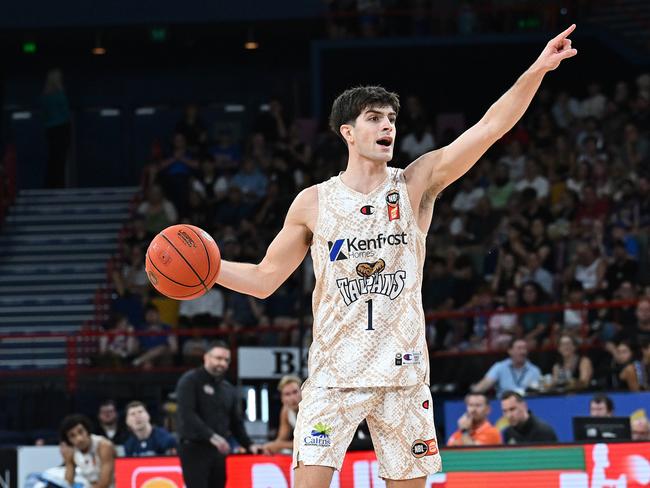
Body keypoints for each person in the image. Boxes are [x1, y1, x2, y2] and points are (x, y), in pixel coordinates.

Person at [213, 26, 577, 487]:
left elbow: (489, 127)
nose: (388, 125)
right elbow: (265, 279)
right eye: (374, 117)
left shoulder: (415, 183)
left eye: (391, 118)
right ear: (348, 131)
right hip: (334, 376)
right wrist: (211, 270)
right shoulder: (313, 202)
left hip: (403, 377)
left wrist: (538, 69)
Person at [175, 341, 263, 488]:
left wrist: (250, 444)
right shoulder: (190, 380)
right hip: (194, 448)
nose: (222, 363)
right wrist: (213, 437)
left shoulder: (228, 388)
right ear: (206, 358)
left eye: (226, 360)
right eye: (218, 358)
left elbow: (236, 422)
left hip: (218, 451)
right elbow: (187, 414)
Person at [59, 414, 116, 488]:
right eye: (72, 436)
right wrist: (68, 461)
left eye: (81, 431)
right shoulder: (72, 452)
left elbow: (105, 484)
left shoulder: (104, 446)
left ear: (87, 430)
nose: (79, 438)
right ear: (68, 441)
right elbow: (68, 483)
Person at [472, 338, 543, 397]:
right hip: (503, 405)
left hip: (527, 405)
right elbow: (485, 383)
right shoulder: (499, 367)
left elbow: (540, 391)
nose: (523, 352)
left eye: (524, 348)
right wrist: (473, 393)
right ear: (510, 351)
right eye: (519, 348)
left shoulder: (535, 370)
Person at [42, 68, 71, 188]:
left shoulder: (45, 96)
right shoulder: (60, 95)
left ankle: (50, 184)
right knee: (61, 158)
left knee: (52, 157)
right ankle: (60, 184)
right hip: (61, 128)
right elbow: (66, 114)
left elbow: (44, 114)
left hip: (50, 129)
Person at [263, 375, 303, 454]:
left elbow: (310, 443)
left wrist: (279, 445)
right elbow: (281, 439)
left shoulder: (311, 409)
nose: (292, 397)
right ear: (282, 399)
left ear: (302, 392)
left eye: (295, 392)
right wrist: (269, 447)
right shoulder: (286, 411)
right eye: (287, 394)